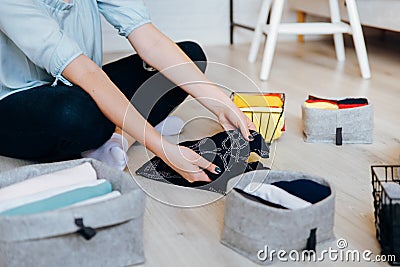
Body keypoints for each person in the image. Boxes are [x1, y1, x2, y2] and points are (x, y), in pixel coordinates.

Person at [0, 0, 255, 183]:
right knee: (74, 113)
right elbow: (86, 73)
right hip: (20, 102)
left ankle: (118, 138)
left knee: (190, 56)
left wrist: (222, 104)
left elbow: (150, 40)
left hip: (85, 86)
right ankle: (128, 126)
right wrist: (163, 149)